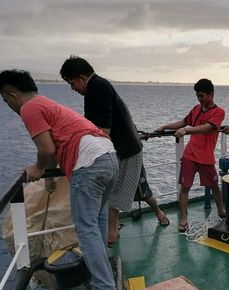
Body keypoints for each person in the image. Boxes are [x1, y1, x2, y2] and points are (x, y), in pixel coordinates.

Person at [0, 69, 118, 290]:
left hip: (89, 164)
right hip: (109, 156)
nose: (8, 105)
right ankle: (104, 272)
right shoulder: (47, 103)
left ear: (11, 94)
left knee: (86, 226)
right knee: (99, 219)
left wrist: (38, 168)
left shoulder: (29, 108)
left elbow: (47, 149)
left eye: (5, 100)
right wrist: (50, 177)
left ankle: (103, 286)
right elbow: (57, 143)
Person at [59, 56, 169, 247]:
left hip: (125, 152)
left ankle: (110, 238)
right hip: (127, 148)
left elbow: (102, 132)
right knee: (132, 192)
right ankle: (121, 229)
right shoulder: (97, 87)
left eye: (72, 83)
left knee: (116, 197)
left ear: (82, 77)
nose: (73, 89)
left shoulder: (97, 89)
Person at [156, 78, 226, 232]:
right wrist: (164, 127)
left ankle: (221, 210)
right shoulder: (196, 109)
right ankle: (184, 218)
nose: (199, 99)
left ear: (211, 94)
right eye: (197, 96)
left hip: (206, 158)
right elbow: (183, 122)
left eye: (202, 96)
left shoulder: (219, 112)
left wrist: (187, 130)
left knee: (214, 185)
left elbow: (208, 127)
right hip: (190, 155)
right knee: (185, 188)